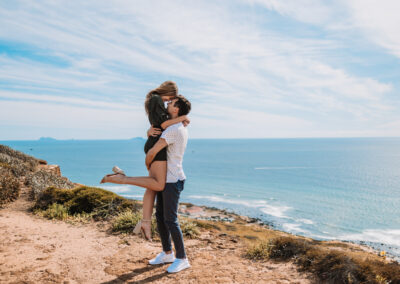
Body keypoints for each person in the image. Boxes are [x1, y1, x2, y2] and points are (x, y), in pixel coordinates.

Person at [101, 95, 192, 273]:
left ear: (176, 110)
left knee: (171, 220)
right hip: (167, 178)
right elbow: (159, 130)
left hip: (173, 180)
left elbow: (153, 151)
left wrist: (148, 165)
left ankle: (182, 258)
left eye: (171, 103)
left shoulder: (174, 129)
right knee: (161, 217)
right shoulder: (175, 125)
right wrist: (149, 132)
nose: (167, 104)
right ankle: (167, 253)